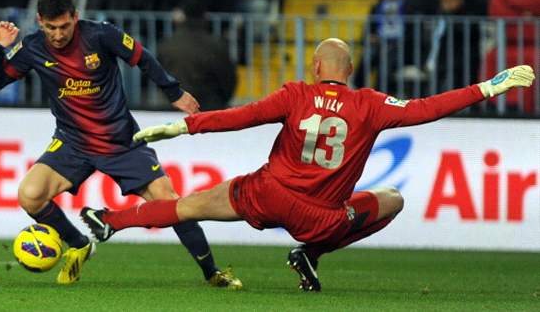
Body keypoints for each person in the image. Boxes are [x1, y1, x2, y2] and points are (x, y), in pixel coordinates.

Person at [80, 38, 535, 291]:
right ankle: (309, 254)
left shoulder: (295, 94)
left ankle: (111, 222)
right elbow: (426, 108)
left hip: (268, 193)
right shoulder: (371, 104)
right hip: (320, 216)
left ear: (316, 66)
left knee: (190, 205)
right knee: (392, 199)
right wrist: (488, 87)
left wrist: (183, 128)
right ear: (350, 69)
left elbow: (242, 117)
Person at [0, 0, 242, 289]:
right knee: (29, 194)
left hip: (120, 141)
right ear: (40, 21)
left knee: (169, 203)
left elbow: (142, 57)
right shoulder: (32, 47)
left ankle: (212, 271)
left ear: (75, 18)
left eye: (64, 26)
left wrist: (175, 92)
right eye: (50, 27)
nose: (57, 34)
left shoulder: (100, 35)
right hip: (73, 143)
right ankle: (78, 243)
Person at [157, 0, 237, 110]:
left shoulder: (167, 44)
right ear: (205, 15)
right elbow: (228, 79)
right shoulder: (216, 44)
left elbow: (159, 77)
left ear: (183, 15)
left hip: (175, 106)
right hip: (210, 105)